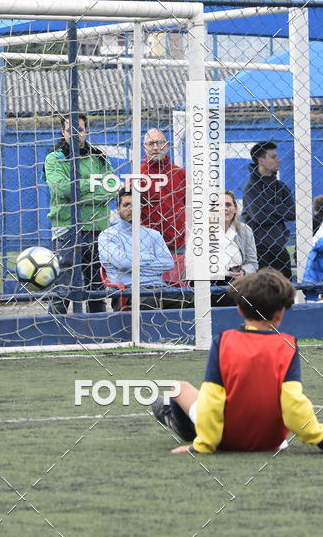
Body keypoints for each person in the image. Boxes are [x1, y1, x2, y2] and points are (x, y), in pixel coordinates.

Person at [152, 268, 323, 454]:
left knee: (179, 388)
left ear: (240, 309)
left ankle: (187, 430)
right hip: (271, 442)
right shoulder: (288, 345)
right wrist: (318, 436)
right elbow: (292, 402)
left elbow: (213, 397)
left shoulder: (223, 341)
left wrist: (203, 445)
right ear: (282, 312)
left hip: (224, 439)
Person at [43, 114, 114, 314]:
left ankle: (99, 329)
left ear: (86, 131)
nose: (75, 134)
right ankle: (54, 327)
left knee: (96, 284)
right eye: (70, 130)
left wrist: (80, 191)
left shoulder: (98, 157)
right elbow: (62, 190)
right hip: (67, 229)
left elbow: (112, 188)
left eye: (80, 130)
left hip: (97, 228)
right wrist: (93, 184)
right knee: (64, 285)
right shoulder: (53, 158)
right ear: (62, 132)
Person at [98, 188, 174, 309]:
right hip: (127, 292)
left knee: (202, 298)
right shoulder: (107, 236)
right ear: (118, 209)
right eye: (126, 205)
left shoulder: (153, 234)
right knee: (150, 301)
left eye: (135, 205)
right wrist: (151, 258)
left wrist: (133, 264)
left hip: (160, 289)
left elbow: (168, 263)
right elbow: (123, 263)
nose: (131, 209)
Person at [241, 141, 295, 278]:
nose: (278, 159)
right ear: (261, 160)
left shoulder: (280, 186)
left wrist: (267, 207)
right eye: (273, 157)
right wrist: (280, 210)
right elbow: (260, 218)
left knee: (285, 290)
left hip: (279, 247)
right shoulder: (251, 188)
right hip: (259, 250)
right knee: (261, 293)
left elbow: (293, 213)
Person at [140, 128, 186, 285]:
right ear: (144, 147)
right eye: (150, 143)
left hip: (179, 247)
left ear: (166, 146)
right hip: (150, 249)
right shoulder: (137, 176)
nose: (155, 147)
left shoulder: (180, 175)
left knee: (180, 297)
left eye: (159, 143)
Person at [210, 190, 258, 307]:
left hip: (238, 282)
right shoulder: (200, 232)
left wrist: (243, 271)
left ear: (235, 209)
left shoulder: (245, 230)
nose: (224, 208)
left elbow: (252, 263)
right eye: (219, 205)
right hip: (210, 283)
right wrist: (225, 272)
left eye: (228, 204)